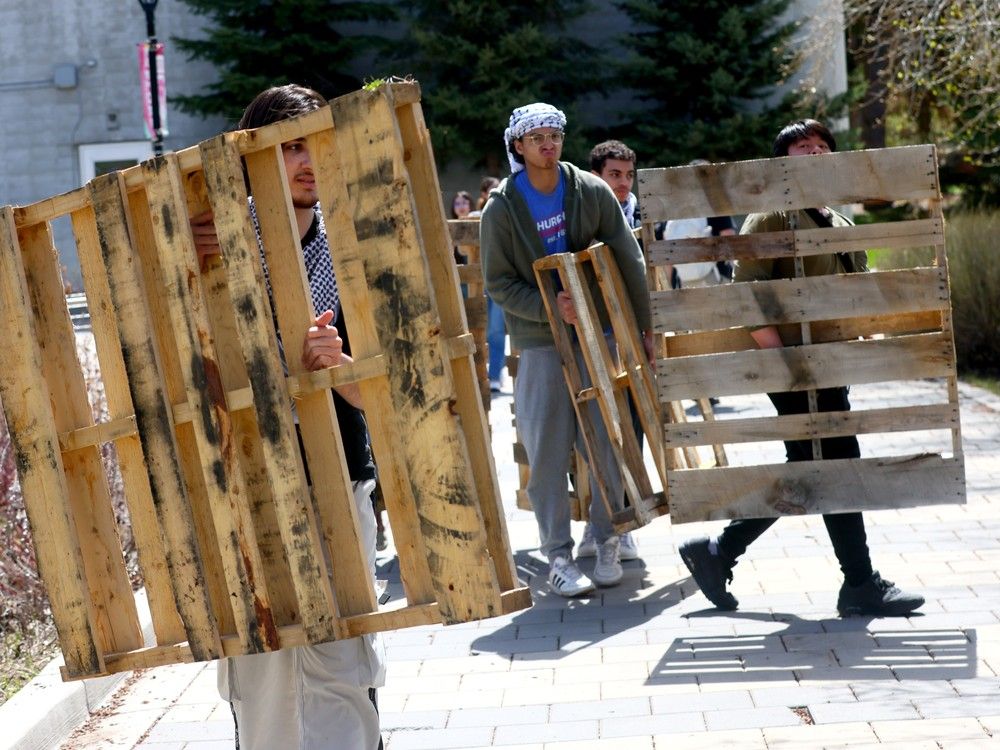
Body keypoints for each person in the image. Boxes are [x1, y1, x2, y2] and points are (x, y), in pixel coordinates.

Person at [191, 84, 386, 750]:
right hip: (244, 480)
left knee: (343, 652)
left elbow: (388, 397)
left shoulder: (350, 247)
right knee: (262, 663)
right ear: (255, 158)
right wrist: (186, 269)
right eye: (289, 146)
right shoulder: (214, 242)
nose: (306, 162)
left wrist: (337, 369)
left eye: (314, 145)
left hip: (338, 471)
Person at [678, 119, 925, 618]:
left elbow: (857, 289)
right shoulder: (771, 216)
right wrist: (785, 365)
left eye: (821, 145)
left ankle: (720, 551)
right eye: (801, 146)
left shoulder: (839, 221)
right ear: (781, 163)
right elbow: (748, 296)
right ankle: (859, 583)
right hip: (792, 367)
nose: (814, 152)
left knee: (814, 470)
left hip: (833, 364)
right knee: (834, 466)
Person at [481, 102, 652, 596]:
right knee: (547, 452)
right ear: (518, 146)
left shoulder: (589, 190)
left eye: (554, 135)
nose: (547, 145)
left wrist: (644, 327)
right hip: (539, 343)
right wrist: (549, 307)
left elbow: (629, 257)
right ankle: (557, 554)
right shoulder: (501, 208)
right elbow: (498, 283)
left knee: (607, 441)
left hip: (596, 335)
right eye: (536, 137)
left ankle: (606, 538)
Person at [578, 138, 646, 562]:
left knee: (632, 429)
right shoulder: (586, 215)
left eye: (628, 175)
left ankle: (625, 523)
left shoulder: (639, 216)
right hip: (593, 334)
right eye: (614, 175)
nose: (623, 183)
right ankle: (596, 520)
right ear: (597, 177)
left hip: (631, 339)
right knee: (592, 435)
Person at [470, 177, 508, 392]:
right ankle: (477, 375)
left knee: (495, 331)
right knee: (475, 329)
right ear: (484, 193)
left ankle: (494, 374)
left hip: (498, 281)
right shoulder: (475, 217)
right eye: (492, 189)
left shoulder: (506, 214)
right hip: (477, 282)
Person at [589, 140, 640, 228]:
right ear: (595, 177)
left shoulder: (644, 219)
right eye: (615, 174)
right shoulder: (579, 216)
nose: (625, 183)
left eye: (630, 175)